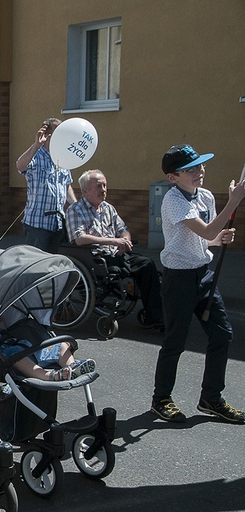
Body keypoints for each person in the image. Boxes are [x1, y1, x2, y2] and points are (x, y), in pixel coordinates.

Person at [151, 144, 245, 424]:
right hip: (178, 278)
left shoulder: (204, 197)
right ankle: (161, 398)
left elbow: (206, 238)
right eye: (190, 169)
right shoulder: (173, 201)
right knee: (175, 341)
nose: (199, 171)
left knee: (222, 334)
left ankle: (211, 398)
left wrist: (219, 239)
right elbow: (205, 229)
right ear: (173, 177)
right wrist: (235, 201)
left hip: (203, 274)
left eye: (201, 165)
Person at [66, 169, 165, 329]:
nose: (103, 190)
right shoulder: (75, 210)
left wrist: (125, 240)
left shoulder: (108, 208)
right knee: (120, 268)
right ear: (85, 191)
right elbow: (79, 239)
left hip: (116, 253)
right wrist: (114, 241)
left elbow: (122, 228)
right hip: (95, 257)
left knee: (147, 265)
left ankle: (155, 315)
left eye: (104, 185)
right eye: (98, 186)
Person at [16, 118, 77, 253]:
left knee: (53, 264)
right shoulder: (36, 156)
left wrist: (75, 205)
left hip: (58, 224)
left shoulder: (63, 158)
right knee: (36, 264)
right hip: (38, 224)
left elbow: (66, 184)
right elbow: (20, 166)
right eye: (57, 132)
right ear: (47, 134)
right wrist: (36, 145)